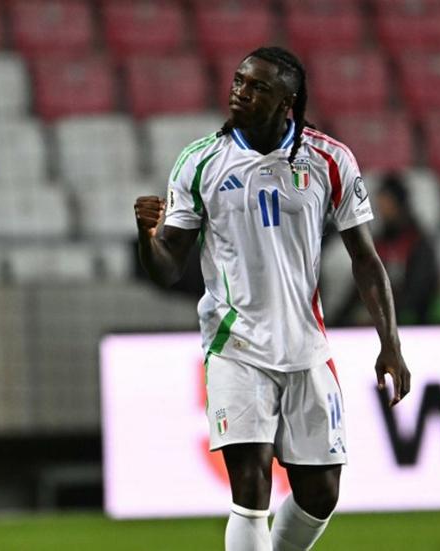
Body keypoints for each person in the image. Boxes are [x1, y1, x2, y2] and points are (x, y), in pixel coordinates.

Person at [134, 47, 410, 551]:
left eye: (258, 86)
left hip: (305, 348)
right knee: (251, 486)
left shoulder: (330, 159)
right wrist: (144, 236)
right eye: (239, 80)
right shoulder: (200, 162)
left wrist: (390, 342)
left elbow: (366, 259)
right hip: (234, 346)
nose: (241, 91)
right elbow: (168, 267)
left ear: (289, 101)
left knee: (320, 493)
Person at [331, 173, 440, 326]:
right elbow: (360, 287)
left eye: (386, 204)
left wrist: (378, 318)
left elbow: (418, 292)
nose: (381, 211)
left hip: (421, 324)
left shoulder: (419, 243)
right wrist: (337, 321)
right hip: (389, 323)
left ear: (399, 204)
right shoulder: (379, 243)